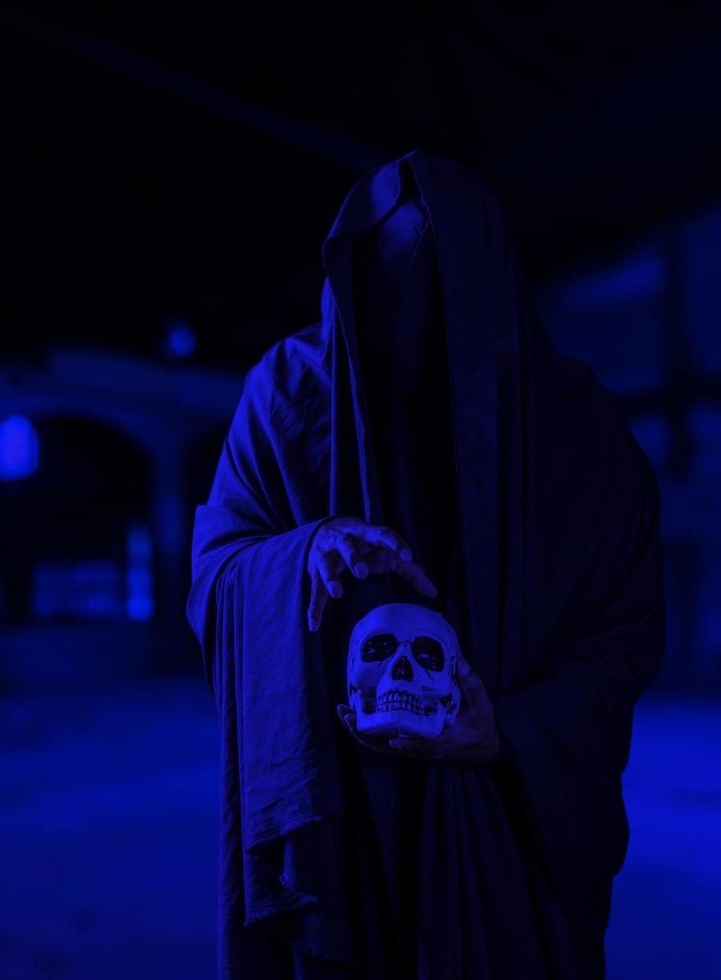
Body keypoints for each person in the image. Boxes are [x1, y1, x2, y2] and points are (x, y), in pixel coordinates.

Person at [187, 151, 665, 979]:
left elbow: (621, 630)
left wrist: (509, 732)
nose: (402, 314)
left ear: (482, 275)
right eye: (382, 277)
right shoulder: (287, 393)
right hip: (339, 808)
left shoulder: (576, 431)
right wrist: (301, 556)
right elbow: (218, 571)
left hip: (504, 817)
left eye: (429, 277)